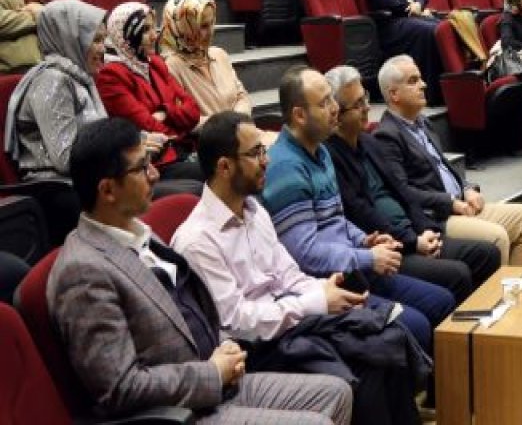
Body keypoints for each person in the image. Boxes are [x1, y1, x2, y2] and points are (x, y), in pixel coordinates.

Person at [49, 117, 354, 423]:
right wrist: (210, 373)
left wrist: (224, 356)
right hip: (182, 409)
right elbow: (120, 389)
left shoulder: (138, 232)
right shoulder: (83, 271)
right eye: (142, 168)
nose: (155, 174)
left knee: (337, 394)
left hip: (220, 374)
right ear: (108, 190)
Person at [173, 111, 425, 425]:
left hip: (292, 322)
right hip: (256, 349)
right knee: (366, 365)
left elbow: (288, 274)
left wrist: (325, 290)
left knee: (386, 340)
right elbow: (236, 321)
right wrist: (316, 303)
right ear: (224, 166)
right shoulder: (196, 241)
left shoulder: (255, 211)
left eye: (264, 150)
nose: (266, 161)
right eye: (255, 153)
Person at [263, 66, 456, 353]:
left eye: (333, 100)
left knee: (442, 301)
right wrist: (366, 257)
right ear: (299, 115)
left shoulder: (321, 151)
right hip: (326, 285)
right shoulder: (286, 168)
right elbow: (304, 254)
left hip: (353, 267)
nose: (334, 110)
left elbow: (337, 220)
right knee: (416, 324)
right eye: (324, 103)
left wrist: (364, 240)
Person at [325, 67, 500, 302]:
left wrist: (425, 230)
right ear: (336, 114)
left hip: (413, 232)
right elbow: (362, 213)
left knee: (487, 254)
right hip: (389, 247)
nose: (367, 108)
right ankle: (460, 335)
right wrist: (413, 241)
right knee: (458, 274)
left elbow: (402, 193)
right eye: (357, 105)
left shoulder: (368, 142)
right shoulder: (332, 156)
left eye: (365, 98)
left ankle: (490, 329)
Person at [374, 55, 522, 266]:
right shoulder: (387, 136)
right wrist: (451, 203)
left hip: (460, 203)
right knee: (497, 237)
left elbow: (443, 168)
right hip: (438, 217)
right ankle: (497, 298)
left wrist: (467, 188)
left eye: (420, 79)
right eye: (413, 81)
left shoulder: (423, 122)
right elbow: (403, 192)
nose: (424, 85)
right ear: (394, 94)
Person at [95, 2, 205, 181]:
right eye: (145, 30)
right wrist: (179, 121)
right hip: (154, 163)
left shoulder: (155, 64)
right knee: (215, 173)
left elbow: (193, 110)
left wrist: (165, 112)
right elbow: (148, 126)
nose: (155, 36)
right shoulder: (112, 76)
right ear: (126, 34)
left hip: (181, 151)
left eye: (154, 28)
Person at [7, 0, 105, 180]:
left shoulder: (79, 77)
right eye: (96, 40)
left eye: (103, 40)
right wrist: (120, 153)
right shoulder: (53, 80)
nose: (103, 48)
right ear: (69, 38)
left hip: (87, 180)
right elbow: (66, 159)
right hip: (55, 186)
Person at [158, 0, 261, 131]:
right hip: (209, 144)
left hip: (241, 133)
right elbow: (183, 119)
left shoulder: (219, 54)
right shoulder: (171, 66)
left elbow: (241, 96)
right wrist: (229, 125)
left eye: (212, 22)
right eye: (204, 26)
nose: (212, 31)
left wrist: (238, 122)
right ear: (184, 28)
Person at [0, 0, 40, 74]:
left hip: (33, 62)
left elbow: (17, 7)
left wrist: (34, 6)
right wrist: (36, 14)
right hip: (12, 67)